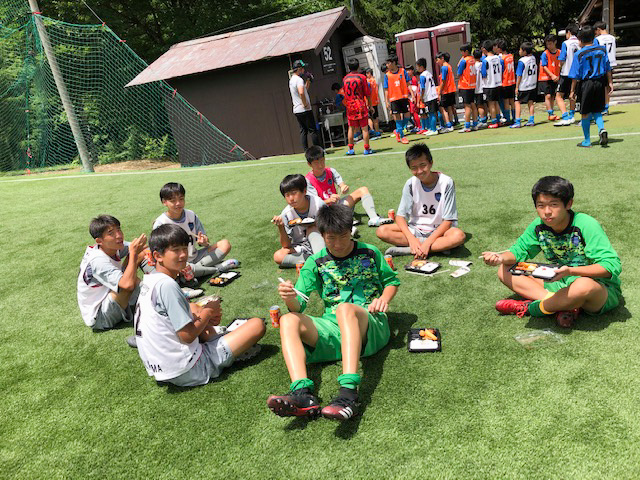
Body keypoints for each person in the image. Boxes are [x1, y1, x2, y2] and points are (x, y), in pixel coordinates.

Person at [267, 203, 400, 421]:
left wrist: (383, 299)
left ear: (351, 231)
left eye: (343, 236)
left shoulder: (369, 252)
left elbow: (391, 281)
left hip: (371, 324)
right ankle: (302, 394)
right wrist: (289, 297)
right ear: (322, 235)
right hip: (335, 329)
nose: (338, 244)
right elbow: (298, 306)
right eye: (331, 238)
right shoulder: (315, 262)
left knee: (345, 309)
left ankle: (348, 394)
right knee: (288, 319)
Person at [134, 224, 265, 387]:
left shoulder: (151, 279)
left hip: (161, 368)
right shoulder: (167, 285)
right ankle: (233, 352)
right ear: (158, 256)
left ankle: (221, 339)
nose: (183, 254)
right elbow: (187, 336)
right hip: (189, 369)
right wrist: (208, 312)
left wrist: (202, 314)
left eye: (184, 248)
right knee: (257, 325)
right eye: (176, 250)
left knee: (194, 308)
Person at [482, 176, 621, 328]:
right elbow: (519, 251)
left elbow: (610, 266)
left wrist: (571, 271)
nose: (547, 212)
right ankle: (562, 304)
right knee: (505, 269)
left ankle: (532, 308)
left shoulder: (586, 224)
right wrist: (500, 258)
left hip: (597, 289)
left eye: (554, 205)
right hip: (558, 281)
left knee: (583, 285)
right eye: (541, 205)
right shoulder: (538, 226)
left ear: (568, 204)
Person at [376, 143, 466, 257]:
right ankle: (437, 247)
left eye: (423, 165)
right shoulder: (410, 183)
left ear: (431, 163)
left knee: (458, 236)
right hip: (415, 229)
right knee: (382, 231)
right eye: (414, 168)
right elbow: (400, 217)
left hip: (440, 231)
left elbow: (448, 220)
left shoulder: (447, 182)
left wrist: (428, 242)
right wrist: (411, 239)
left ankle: (409, 250)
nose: (419, 171)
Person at [153, 183, 238, 285]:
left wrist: (204, 241)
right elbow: (160, 254)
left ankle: (193, 272)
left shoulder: (191, 215)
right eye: (173, 201)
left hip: (196, 256)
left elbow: (204, 240)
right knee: (172, 267)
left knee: (225, 244)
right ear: (164, 202)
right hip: (177, 262)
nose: (178, 203)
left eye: (181, 199)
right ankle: (216, 269)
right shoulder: (161, 223)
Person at [77, 215, 146, 331]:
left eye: (119, 229)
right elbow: (127, 285)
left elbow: (143, 249)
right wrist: (134, 255)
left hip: (108, 297)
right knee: (129, 280)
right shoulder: (98, 261)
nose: (118, 235)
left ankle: (155, 293)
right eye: (111, 233)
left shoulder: (112, 246)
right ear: (99, 241)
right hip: (100, 317)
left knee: (138, 255)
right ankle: (153, 297)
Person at [304, 145, 391, 227]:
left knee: (363, 190)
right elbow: (315, 204)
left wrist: (344, 187)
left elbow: (341, 184)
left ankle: (374, 218)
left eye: (322, 161)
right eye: (316, 163)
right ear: (309, 164)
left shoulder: (331, 171)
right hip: (324, 212)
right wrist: (329, 200)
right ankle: (344, 225)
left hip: (338, 206)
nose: (320, 165)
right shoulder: (308, 180)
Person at [569, 25, 613, 148]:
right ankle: (602, 129)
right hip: (600, 82)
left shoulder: (579, 54)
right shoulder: (602, 50)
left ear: (581, 39)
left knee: (585, 112)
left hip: (586, 84)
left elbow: (575, 75)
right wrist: (610, 83)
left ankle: (587, 141)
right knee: (597, 110)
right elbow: (608, 68)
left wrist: (572, 91)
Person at [273, 174, 326, 268]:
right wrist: (280, 226)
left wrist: (316, 225)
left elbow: (331, 228)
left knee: (311, 229)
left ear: (304, 191)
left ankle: (318, 259)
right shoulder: (286, 214)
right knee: (278, 256)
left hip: (321, 240)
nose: (291, 199)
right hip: (302, 247)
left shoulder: (318, 204)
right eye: (287, 195)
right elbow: (286, 245)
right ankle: (316, 260)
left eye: (294, 193)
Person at [342, 59, 373, 156]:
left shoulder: (345, 78)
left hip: (350, 105)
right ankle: (366, 148)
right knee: (364, 128)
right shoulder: (362, 77)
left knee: (351, 127)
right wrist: (370, 105)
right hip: (360, 104)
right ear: (358, 66)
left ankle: (351, 149)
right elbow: (367, 93)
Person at [289, 59, 320, 150]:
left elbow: (304, 90)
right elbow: (301, 93)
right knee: (312, 130)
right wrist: (305, 103)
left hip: (297, 110)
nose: (304, 70)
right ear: (299, 69)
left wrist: (308, 81)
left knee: (303, 131)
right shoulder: (299, 80)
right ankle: (318, 150)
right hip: (304, 109)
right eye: (302, 68)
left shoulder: (292, 79)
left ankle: (306, 151)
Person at [555, 24, 581, 126]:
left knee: (558, 96)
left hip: (566, 72)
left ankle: (565, 117)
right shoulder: (580, 42)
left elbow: (562, 58)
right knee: (572, 94)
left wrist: (559, 66)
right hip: (576, 73)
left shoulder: (566, 43)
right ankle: (572, 115)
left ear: (569, 32)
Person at [383, 55, 411, 144]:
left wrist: (412, 95)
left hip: (403, 97)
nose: (387, 65)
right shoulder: (387, 75)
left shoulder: (403, 71)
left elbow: (408, 83)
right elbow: (386, 89)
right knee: (397, 118)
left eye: (388, 63)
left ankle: (398, 130)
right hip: (394, 99)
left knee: (407, 116)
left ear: (394, 62)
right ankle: (402, 137)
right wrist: (386, 101)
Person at [510, 42, 538, 128]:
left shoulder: (522, 61)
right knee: (530, 102)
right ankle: (531, 120)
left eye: (520, 50)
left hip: (523, 85)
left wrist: (517, 87)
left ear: (524, 51)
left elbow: (519, 75)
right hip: (532, 84)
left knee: (517, 102)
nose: (519, 51)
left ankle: (517, 121)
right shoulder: (533, 58)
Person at [594, 21, 617, 114]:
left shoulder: (597, 39)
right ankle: (606, 106)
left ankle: (602, 106)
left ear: (598, 29)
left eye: (596, 31)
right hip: (612, 62)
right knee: (608, 86)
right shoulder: (612, 38)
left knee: (601, 86)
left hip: (602, 64)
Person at [481, 40, 504, 129]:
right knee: (496, 102)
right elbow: (502, 68)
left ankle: (494, 121)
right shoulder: (498, 58)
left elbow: (483, 74)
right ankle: (498, 120)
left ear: (484, 49)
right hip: (498, 83)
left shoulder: (485, 60)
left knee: (491, 104)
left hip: (489, 84)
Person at [538, 34, 561, 121]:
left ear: (555, 42)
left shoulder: (559, 52)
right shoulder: (545, 54)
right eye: (547, 44)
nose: (549, 46)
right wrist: (552, 75)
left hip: (555, 77)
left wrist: (558, 75)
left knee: (552, 96)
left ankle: (552, 113)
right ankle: (550, 113)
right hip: (545, 78)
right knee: (547, 95)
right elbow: (544, 66)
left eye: (550, 44)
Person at [456, 43, 478, 133]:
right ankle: (475, 124)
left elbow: (458, 73)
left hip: (465, 86)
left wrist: (461, 60)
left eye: (462, 51)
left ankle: (467, 126)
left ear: (466, 51)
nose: (461, 53)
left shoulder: (464, 61)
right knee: (473, 104)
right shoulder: (472, 59)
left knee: (467, 106)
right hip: (472, 85)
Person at [416, 57, 439, 136]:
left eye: (417, 66)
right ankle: (431, 128)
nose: (417, 68)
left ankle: (433, 129)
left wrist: (421, 97)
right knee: (432, 113)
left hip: (429, 96)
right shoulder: (429, 73)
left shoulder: (422, 76)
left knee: (431, 113)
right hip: (433, 95)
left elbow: (422, 88)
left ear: (421, 66)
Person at [495, 39, 516, 123]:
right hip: (512, 81)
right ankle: (514, 117)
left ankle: (507, 118)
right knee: (512, 100)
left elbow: (501, 70)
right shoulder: (511, 56)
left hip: (505, 81)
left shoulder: (501, 58)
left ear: (500, 48)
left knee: (506, 101)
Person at [436, 52, 456, 133]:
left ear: (442, 58)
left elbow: (443, 81)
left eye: (437, 60)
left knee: (442, 108)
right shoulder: (449, 66)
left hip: (446, 90)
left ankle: (448, 125)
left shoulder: (444, 67)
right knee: (450, 107)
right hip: (451, 89)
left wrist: (439, 91)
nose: (437, 62)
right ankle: (451, 123)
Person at [473, 49, 488, 128]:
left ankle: (482, 120)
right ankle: (485, 117)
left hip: (477, 88)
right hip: (484, 86)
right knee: (484, 103)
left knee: (479, 105)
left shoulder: (474, 65)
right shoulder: (483, 64)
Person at [365, 68, 381, 134]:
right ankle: (377, 131)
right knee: (375, 117)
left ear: (369, 73)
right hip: (375, 101)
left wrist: (367, 103)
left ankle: (372, 130)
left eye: (366, 73)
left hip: (369, 102)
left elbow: (368, 93)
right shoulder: (374, 80)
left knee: (369, 117)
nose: (366, 75)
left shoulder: (368, 82)